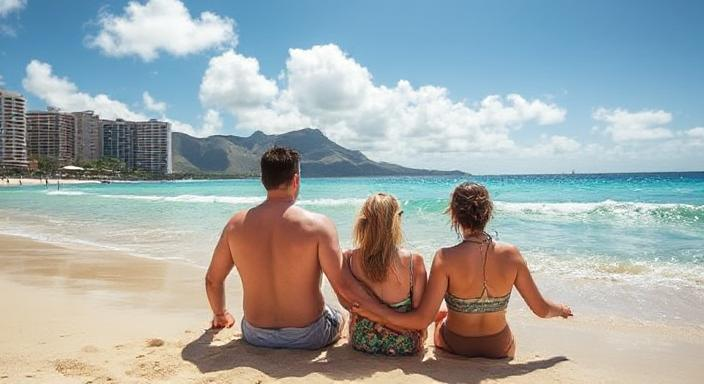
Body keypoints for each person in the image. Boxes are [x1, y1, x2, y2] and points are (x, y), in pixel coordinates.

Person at [353, 182, 572, 359]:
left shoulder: (445, 257)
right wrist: (560, 309)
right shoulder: (511, 254)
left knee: (442, 318)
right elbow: (541, 309)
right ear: (488, 214)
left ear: (454, 216)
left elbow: (421, 319)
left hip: (455, 344)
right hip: (500, 347)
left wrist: (377, 311)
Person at [205, 146, 375, 350]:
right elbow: (343, 287)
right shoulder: (318, 225)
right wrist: (381, 313)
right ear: (296, 180)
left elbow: (213, 280)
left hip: (255, 333)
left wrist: (220, 314)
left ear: (263, 180)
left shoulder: (235, 225)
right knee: (338, 315)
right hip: (310, 335)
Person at [344, 193, 427, 356]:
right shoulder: (413, 262)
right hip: (404, 342)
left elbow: (349, 304)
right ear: (397, 221)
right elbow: (419, 314)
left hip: (362, 340)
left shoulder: (349, 258)